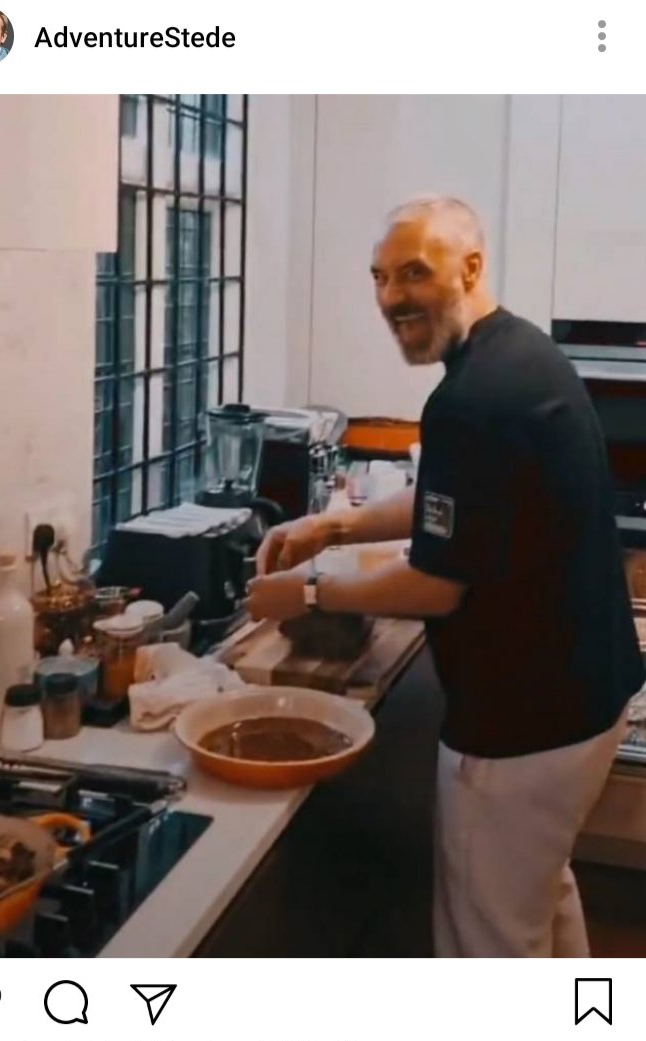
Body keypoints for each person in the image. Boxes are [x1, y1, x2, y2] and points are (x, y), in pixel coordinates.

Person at [247, 195, 644, 959]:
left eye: (414, 272)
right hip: (586, 702)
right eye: (380, 277)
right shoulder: (519, 351)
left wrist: (301, 592)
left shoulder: (471, 397)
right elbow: (453, 503)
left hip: (522, 730)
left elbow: (437, 584)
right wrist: (333, 524)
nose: (392, 297)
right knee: (538, 896)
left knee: (488, 942)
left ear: (470, 267)